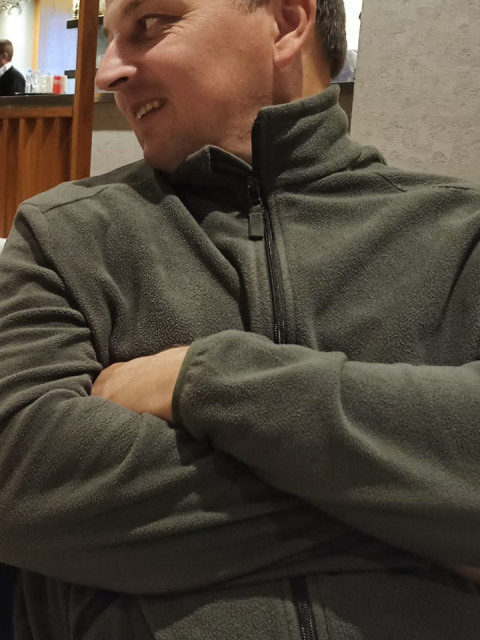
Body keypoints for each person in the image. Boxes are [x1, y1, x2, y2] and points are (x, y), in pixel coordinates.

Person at [0, 0, 480, 638]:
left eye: (151, 23)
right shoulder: (64, 234)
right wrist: (421, 516)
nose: (107, 73)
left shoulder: (459, 233)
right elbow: (20, 480)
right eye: (109, 38)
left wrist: (205, 379)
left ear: (286, 23)